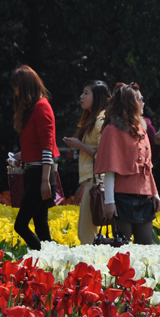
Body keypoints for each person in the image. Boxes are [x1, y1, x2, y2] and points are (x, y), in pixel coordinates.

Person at [95, 83, 160, 244]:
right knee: (123, 248)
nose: (143, 102)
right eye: (140, 99)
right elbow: (110, 169)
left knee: (146, 247)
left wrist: (154, 193)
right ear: (130, 103)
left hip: (144, 197)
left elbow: (147, 167)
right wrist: (109, 202)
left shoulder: (141, 128)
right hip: (122, 198)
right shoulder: (112, 130)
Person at [9, 65, 60, 251]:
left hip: (41, 174)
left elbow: (47, 146)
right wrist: (19, 156)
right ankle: (50, 263)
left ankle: (47, 256)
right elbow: (37, 146)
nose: (15, 92)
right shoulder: (33, 109)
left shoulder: (41, 107)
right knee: (41, 228)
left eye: (17, 87)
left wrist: (45, 181)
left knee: (20, 225)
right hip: (35, 172)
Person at [62, 80, 110, 244]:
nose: (81, 97)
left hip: (97, 183)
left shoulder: (100, 121)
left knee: (87, 235)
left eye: (86, 93)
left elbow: (106, 156)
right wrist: (83, 185)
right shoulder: (93, 118)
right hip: (91, 182)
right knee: (87, 233)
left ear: (97, 97)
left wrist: (80, 145)